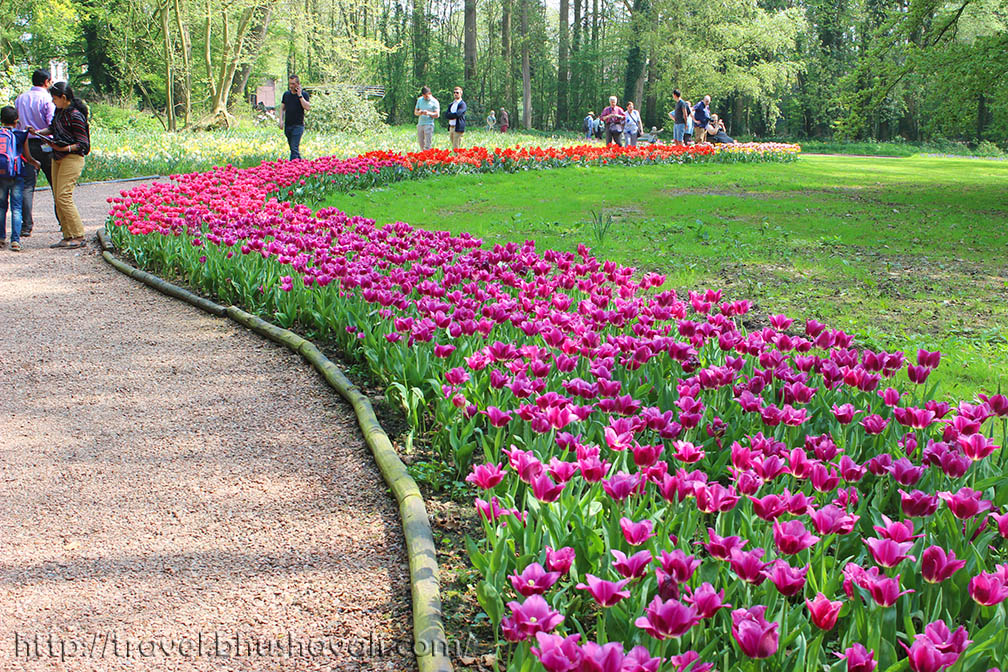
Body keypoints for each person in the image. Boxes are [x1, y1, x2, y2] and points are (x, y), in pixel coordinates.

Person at [34, 82, 90, 249]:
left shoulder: (75, 115)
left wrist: (64, 148)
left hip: (71, 158)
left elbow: (83, 144)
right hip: (57, 157)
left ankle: (78, 235)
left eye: (54, 98)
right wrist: (37, 133)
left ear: (63, 98)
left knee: (64, 197)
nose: (52, 101)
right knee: (58, 197)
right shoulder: (60, 112)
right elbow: (52, 128)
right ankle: (67, 235)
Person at [14, 69, 56, 237]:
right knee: (56, 184)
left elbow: (17, 124)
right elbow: (51, 123)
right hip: (45, 144)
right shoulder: (48, 99)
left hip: (26, 145)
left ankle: (26, 226)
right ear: (46, 81)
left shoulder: (20, 99)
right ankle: (62, 221)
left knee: (27, 186)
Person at [1, 106, 41, 252]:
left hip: (1, 175)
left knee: (1, 207)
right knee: (16, 208)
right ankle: (15, 241)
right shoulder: (21, 134)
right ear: (16, 120)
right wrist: (36, 163)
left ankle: (0, 238)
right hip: (17, 174)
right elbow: (28, 157)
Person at [279, 75, 311, 160]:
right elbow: (282, 108)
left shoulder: (304, 95)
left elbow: (307, 107)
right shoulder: (286, 94)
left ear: (298, 84)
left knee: (294, 148)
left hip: (298, 125)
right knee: (293, 149)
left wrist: (300, 95)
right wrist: (281, 120)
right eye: (290, 84)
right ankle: (301, 166)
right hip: (288, 125)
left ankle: (291, 168)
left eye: (293, 84)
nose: (291, 86)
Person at [444, 86, 467, 151]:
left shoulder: (462, 104)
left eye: (457, 92)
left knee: (456, 146)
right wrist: (452, 115)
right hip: (451, 127)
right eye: (454, 92)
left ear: (461, 93)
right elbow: (446, 115)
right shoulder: (451, 104)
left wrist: (451, 115)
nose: (455, 94)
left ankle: (456, 160)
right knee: (453, 144)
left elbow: (458, 114)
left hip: (458, 127)